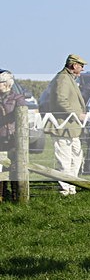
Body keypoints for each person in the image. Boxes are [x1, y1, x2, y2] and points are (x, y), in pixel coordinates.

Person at [44, 54, 90, 195]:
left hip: (72, 127)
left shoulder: (69, 78)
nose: (83, 69)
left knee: (76, 157)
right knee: (64, 159)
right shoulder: (63, 78)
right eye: (81, 66)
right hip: (63, 126)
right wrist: (77, 114)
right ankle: (65, 188)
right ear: (74, 65)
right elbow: (61, 100)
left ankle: (72, 186)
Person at [0, 71, 27, 201]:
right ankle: (2, 194)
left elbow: (22, 114)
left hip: (12, 138)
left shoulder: (17, 98)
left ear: (7, 84)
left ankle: (17, 195)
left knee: (15, 166)